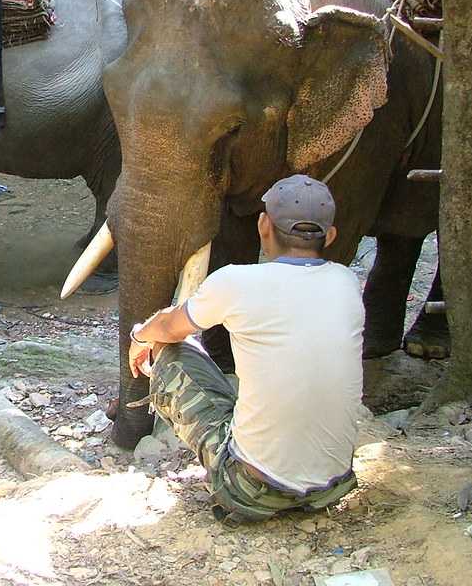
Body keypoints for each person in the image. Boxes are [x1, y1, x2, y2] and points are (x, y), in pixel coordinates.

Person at [127, 174, 365, 524]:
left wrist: (139, 336)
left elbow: (168, 327)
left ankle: (240, 479)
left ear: (262, 225)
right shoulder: (347, 282)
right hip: (332, 486)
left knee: (168, 348)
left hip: (249, 490)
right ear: (330, 236)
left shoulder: (237, 282)